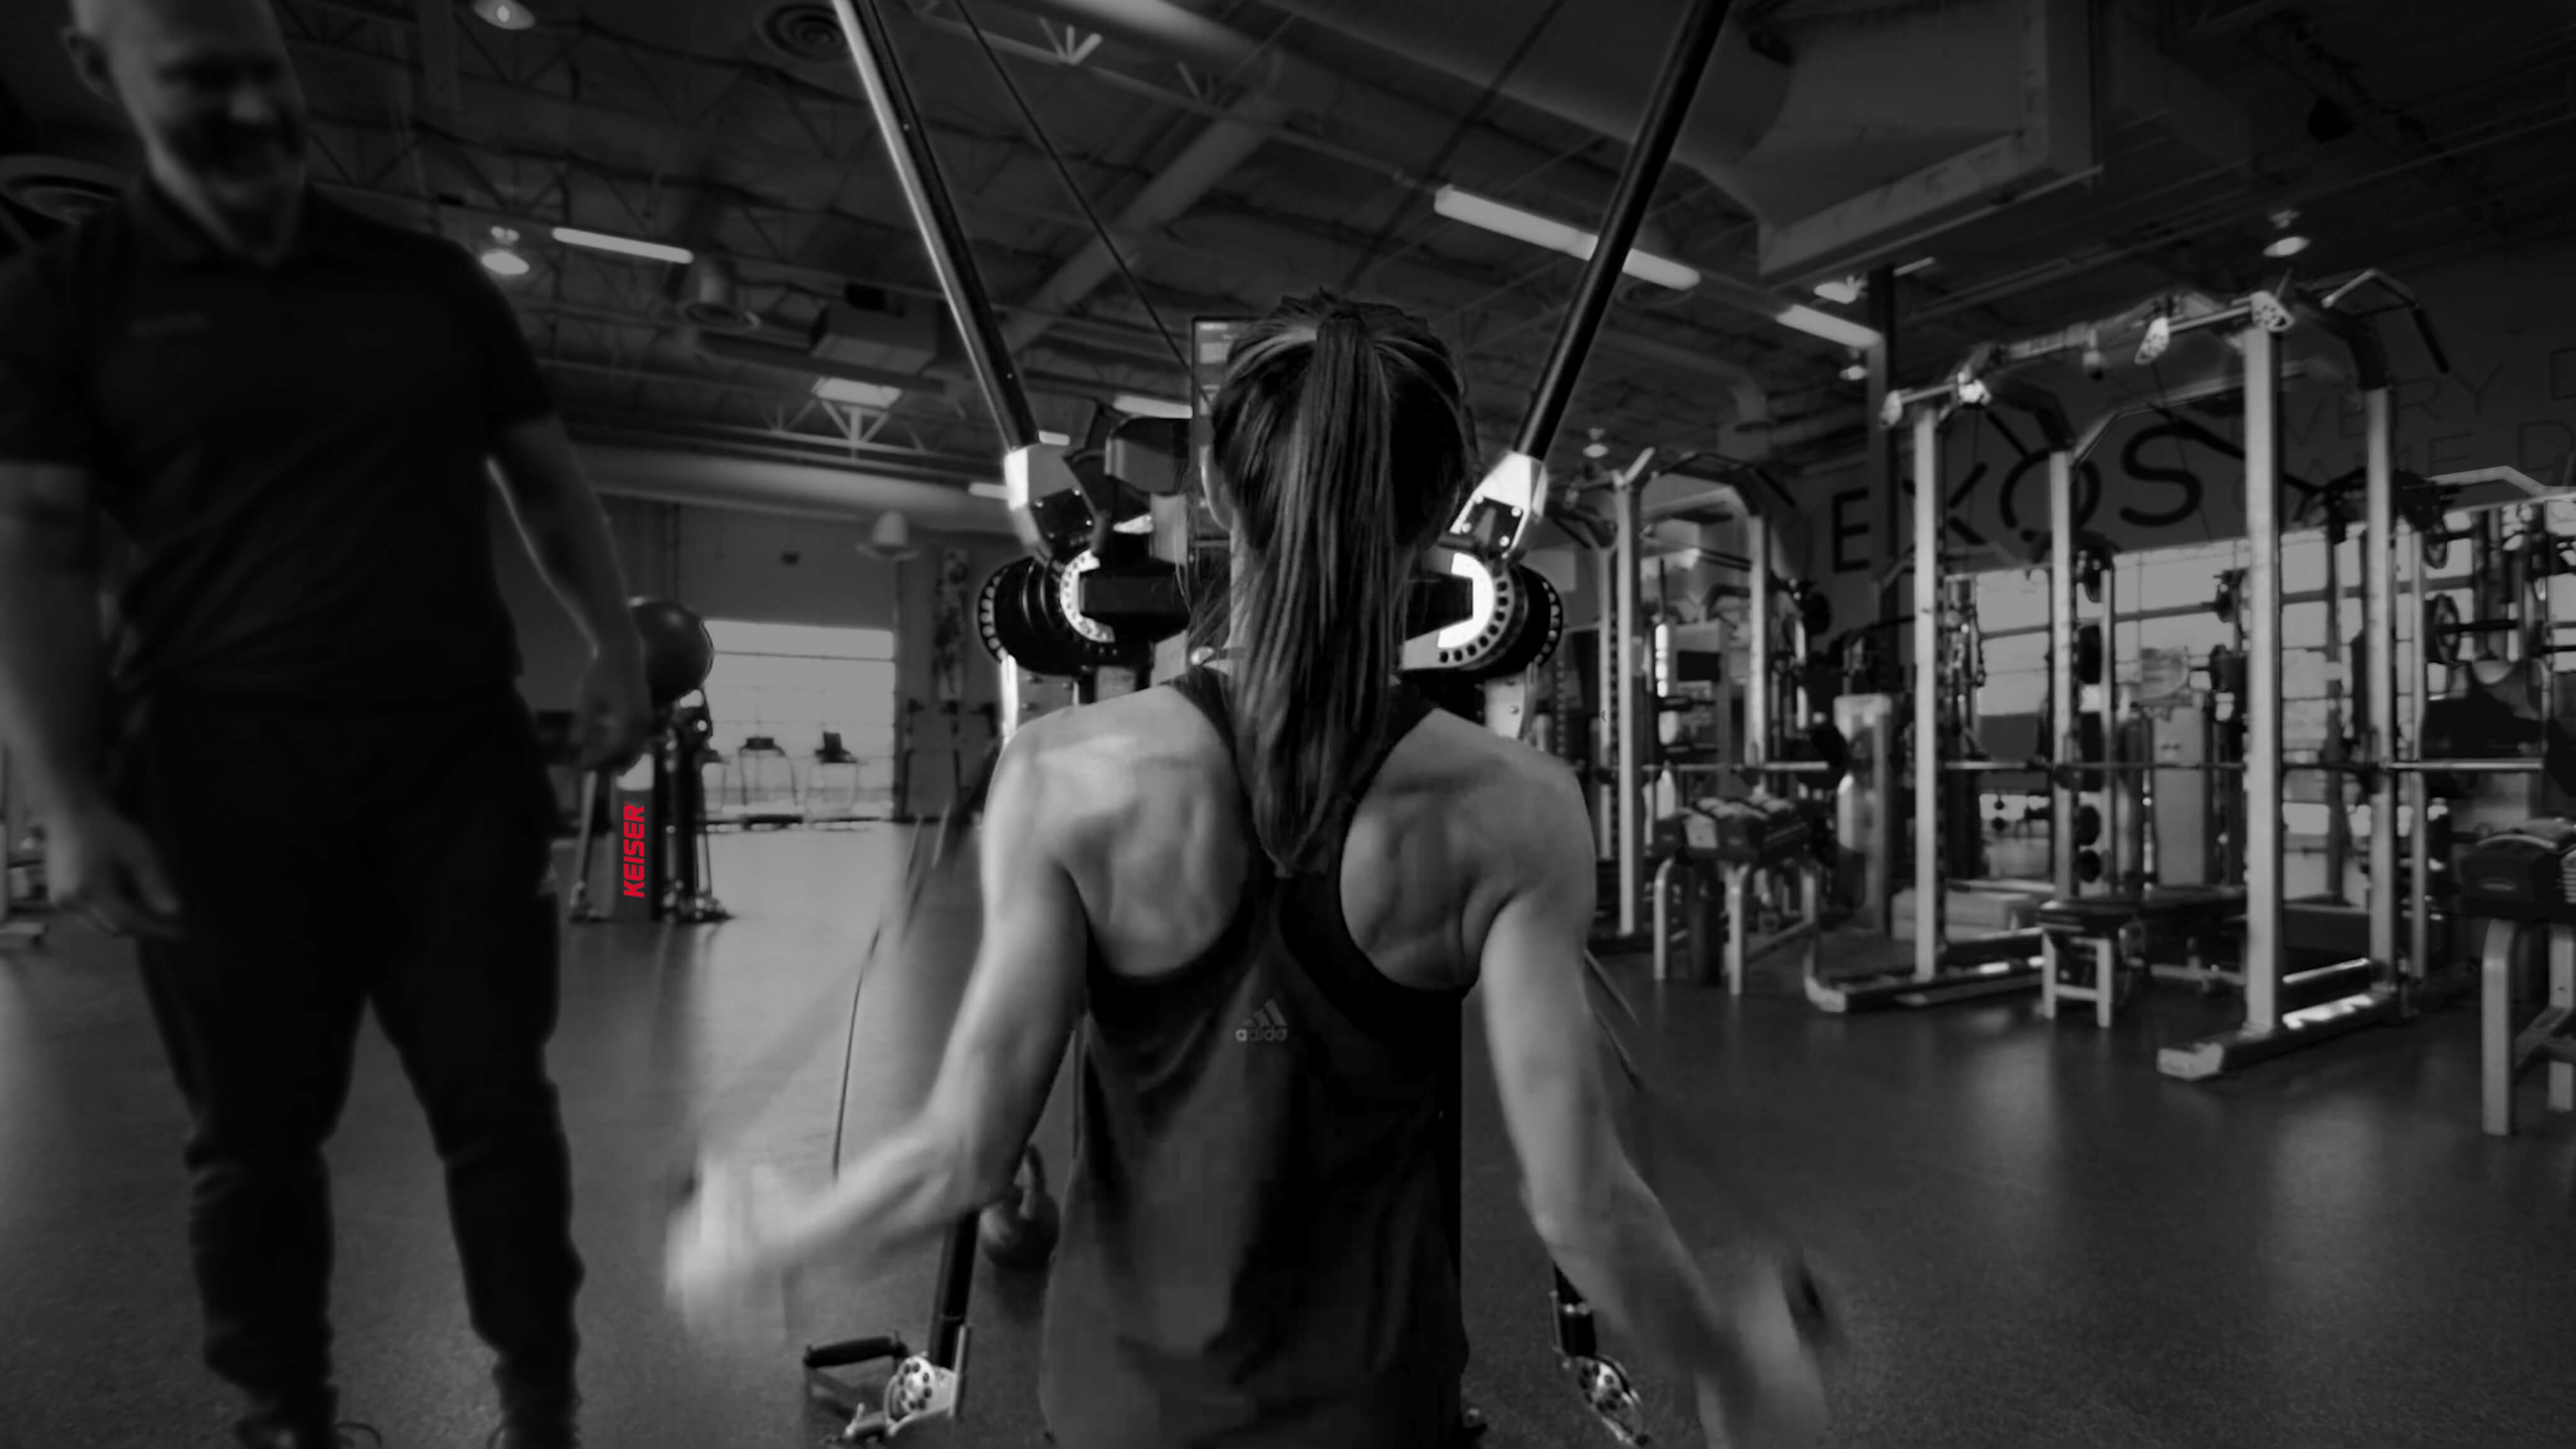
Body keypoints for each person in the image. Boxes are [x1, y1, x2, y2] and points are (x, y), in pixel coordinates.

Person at [665, 294, 1829, 1448]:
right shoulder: (1521, 808)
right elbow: (1580, 1204)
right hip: (1377, 1413)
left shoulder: (1065, 774)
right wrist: (1725, 1374)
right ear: (1439, 512)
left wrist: (778, 1240)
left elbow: (965, 1152)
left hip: (1126, 1411)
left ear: (1217, 491)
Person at [0, 1, 653, 1445]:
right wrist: (63, 790)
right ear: (102, 72)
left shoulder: (423, 282)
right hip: (214, 771)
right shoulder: (69, 299)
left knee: (499, 1110)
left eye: (262, 68)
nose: (246, 104)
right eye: (198, 79)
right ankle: (283, 1421)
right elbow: (38, 545)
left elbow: (542, 482)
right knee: (250, 1145)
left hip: (450, 762)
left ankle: (539, 1410)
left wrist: (611, 642)